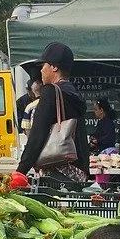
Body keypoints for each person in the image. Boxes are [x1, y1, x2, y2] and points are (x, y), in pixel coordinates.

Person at [16, 42, 89, 183]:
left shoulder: (51, 92)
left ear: (54, 67)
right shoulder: (73, 93)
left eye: (44, 65)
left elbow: (37, 134)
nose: (41, 70)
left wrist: (20, 172)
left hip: (57, 172)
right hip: (77, 172)